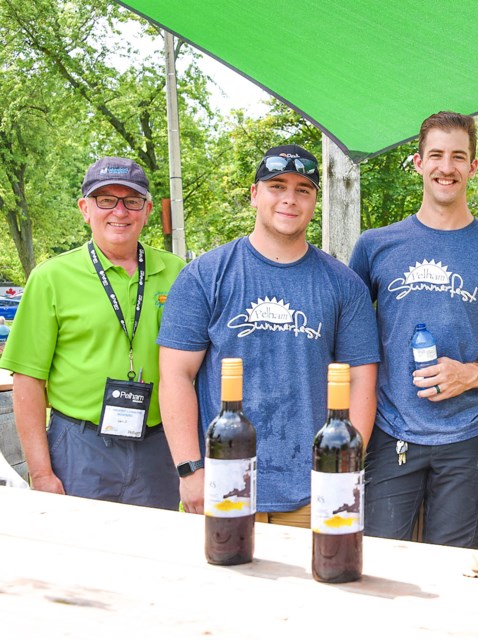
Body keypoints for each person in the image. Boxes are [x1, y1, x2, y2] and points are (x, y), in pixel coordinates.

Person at [158, 145, 379, 526]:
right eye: (277, 185)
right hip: (224, 483)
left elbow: (362, 380)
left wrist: (344, 473)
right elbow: (176, 375)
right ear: (254, 194)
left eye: (303, 189)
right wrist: (190, 469)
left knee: (315, 584)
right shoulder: (205, 276)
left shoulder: (344, 285)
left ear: (314, 202)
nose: (289, 199)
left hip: (315, 489)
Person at [349, 112, 478, 548]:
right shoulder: (375, 246)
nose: (446, 167)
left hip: (469, 437)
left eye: (457, 157)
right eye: (436, 155)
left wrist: (470, 374)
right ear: (418, 163)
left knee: (455, 569)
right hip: (390, 431)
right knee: (375, 561)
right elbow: (349, 342)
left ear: (473, 166)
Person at [0, 157, 184, 508]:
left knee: (155, 554)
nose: (119, 212)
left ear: (146, 210)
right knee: (81, 555)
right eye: (105, 200)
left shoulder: (177, 272)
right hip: (79, 447)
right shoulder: (51, 277)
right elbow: (27, 380)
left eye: (131, 201)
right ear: (85, 209)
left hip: (159, 445)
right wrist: (40, 473)